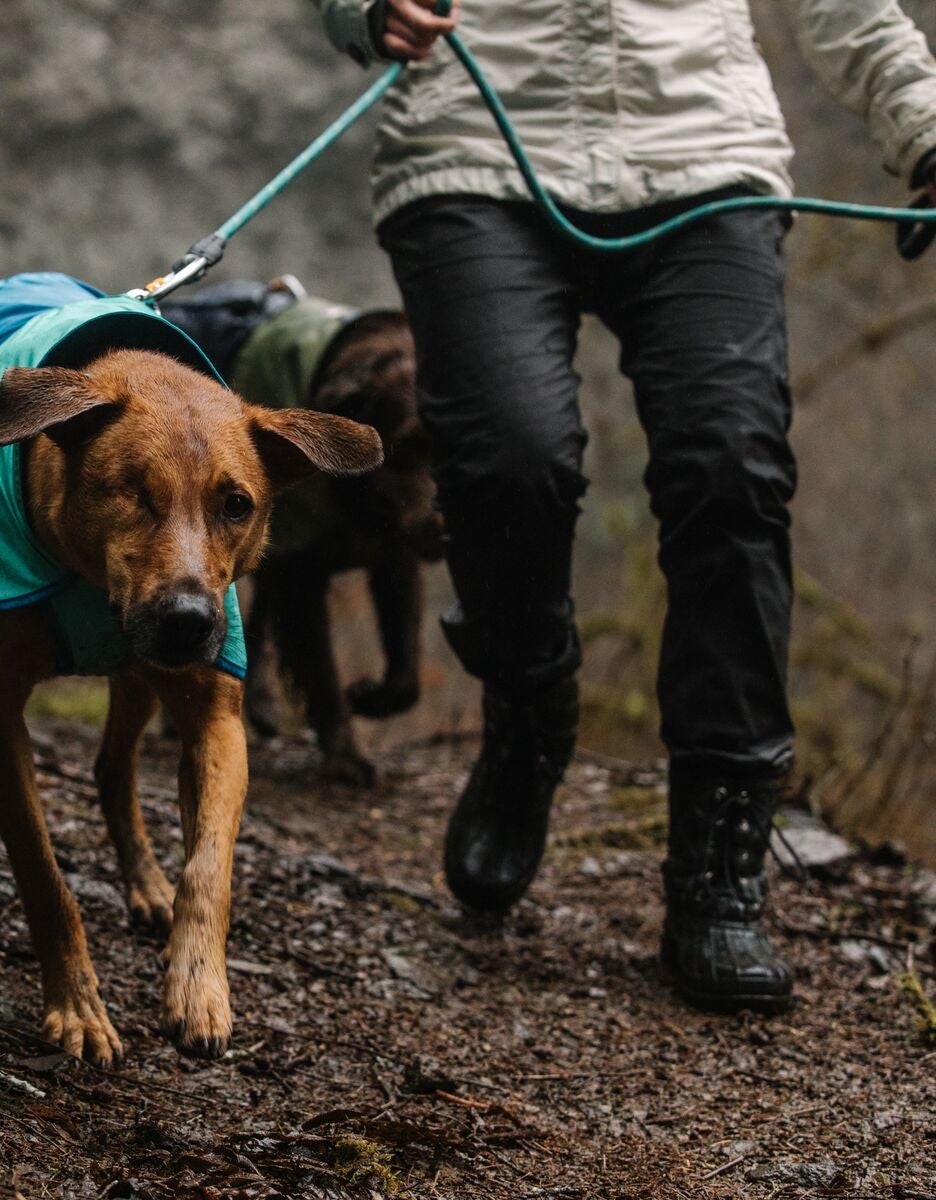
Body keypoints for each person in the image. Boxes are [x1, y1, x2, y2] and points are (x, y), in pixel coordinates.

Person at [313, 0, 936, 1012]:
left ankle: (718, 869)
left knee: (731, 472)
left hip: (702, 155)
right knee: (508, 463)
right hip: (474, 150)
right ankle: (525, 720)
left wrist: (924, 123)